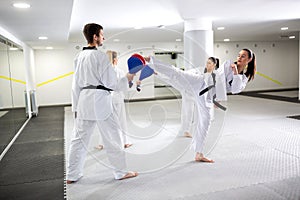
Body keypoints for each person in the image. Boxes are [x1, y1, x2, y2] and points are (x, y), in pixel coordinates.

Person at [145, 49, 256, 163]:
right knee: (179, 74)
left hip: (206, 96)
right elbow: (218, 79)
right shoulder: (228, 64)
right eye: (239, 55)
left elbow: (236, 90)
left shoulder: (243, 78)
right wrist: (216, 99)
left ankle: (199, 154)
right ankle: (150, 60)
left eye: (243, 56)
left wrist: (236, 73)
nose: (239, 58)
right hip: (201, 83)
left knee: (205, 121)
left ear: (249, 60)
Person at [66, 23, 138, 184]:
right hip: (100, 100)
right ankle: (120, 172)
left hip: (84, 99)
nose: (103, 38)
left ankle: (72, 174)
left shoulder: (78, 57)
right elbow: (111, 82)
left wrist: (75, 107)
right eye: (102, 35)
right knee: (113, 137)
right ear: (95, 37)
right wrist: (126, 79)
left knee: (78, 139)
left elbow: (75, 84)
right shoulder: (100, 56)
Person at [95, 50, 132, 150]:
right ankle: (125, 142)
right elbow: (122, 87)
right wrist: (128, 81)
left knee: (104, 121)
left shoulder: (100, 71)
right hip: (116, 99)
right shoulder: (118, 71)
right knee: (120, 121)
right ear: (115, 60)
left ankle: (101, 143)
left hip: (103, 100)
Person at [179, 58, 219, 138]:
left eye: (209, 63)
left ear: (214, 65)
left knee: (199, 114)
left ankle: (197, 131)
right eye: (207, 63)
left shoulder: (214, 75)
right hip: (189, 93)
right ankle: (186, 130)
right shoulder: (200, 70)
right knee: (188, 111)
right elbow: (187, 74)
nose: (207, 65)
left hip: (200, 95)